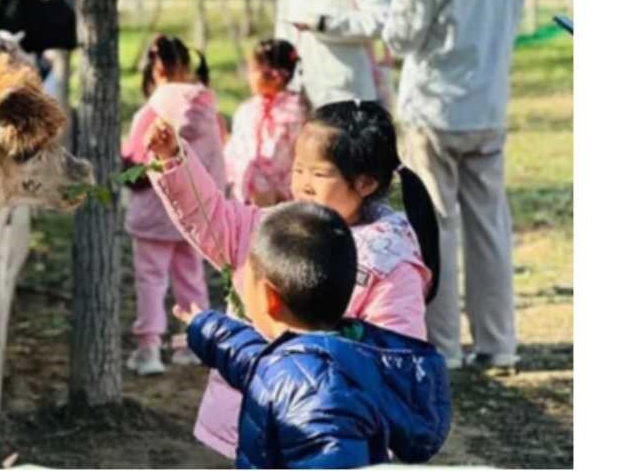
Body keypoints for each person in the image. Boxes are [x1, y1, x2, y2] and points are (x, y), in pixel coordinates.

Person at [143, 99, 440, 460]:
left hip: (328, 433)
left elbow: (394, 364)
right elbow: (215, 221)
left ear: (365, 182)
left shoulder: (388, 261)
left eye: (319, 174)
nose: (304, 185)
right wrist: (175, 161)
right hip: (247, 418)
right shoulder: (280, 225)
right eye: (299, 169)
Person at [171, 201, 451, 468]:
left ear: (269, 297)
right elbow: (255, 360)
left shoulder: (316, 396)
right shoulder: (339, 349)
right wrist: (206, 328)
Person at [382, 0, 524, 372]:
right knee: (489, 226)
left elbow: (399, 37)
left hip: (434, 112)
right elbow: (512, 18)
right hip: (487, 105)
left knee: (435, 225)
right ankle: (498, 343)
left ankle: (443, 345)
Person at [120, 34, 227, 376]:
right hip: (195, 211)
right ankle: (190, 346)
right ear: (185, 65)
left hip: (154, 212)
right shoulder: (208, 108)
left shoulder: (150, 111)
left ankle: (149, 350)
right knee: (191, 278)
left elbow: (133, 165)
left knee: (151, 279)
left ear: (154, 70)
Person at [222, 38, 306, 207]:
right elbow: (236, 151)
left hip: (282, 199)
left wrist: (280, 191)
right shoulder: (247, 110)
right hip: (244, 195)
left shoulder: (296, 112)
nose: (249, 75)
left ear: (276, 75)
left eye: (254, 69)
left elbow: (299, 155)